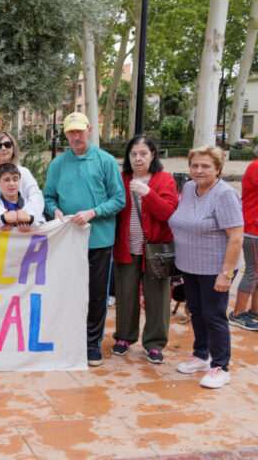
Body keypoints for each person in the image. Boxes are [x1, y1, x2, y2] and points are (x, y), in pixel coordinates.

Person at [43, 112, 124, 367]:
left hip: (98, 240)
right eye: (70, 132)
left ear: (89, 130)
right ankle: (68, 339)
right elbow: (49, 196)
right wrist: (53, 210)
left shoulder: (106, 161)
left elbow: (119, 199)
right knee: (67, 291)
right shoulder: (58, 164)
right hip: (67, 241)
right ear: (65, 134)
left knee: (97, 294)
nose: (75, 137)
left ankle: (92, 344)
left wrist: (94, 211)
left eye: (79, 131)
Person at [169, 145, 244, 389]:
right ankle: (201, 355)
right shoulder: (190, 188)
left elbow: (236, 237)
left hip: (216, 268)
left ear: (218, 169)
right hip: (190, 265)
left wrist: (226, 273)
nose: (199, 170)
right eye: (195, 165)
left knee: (214, 315)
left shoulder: (225, 195)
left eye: (205, 166)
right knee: (196, 311)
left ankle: (221, 366)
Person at [111, 135, 178, 364]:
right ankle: (123, 337)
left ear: (152, 155)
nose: (138, 158)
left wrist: (147, 193)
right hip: (127, 247)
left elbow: (168, 213)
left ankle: (155, 343)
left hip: (156, 249)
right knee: (125, 294)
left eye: (143, 154)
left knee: (157, 298)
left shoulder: (164, 179)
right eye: (133, 154)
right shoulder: (122, 178)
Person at [0, 131, 44, 223]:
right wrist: (3, 216)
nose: (3, 148)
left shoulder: (24, 172)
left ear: (13, 149)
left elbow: (36, 195)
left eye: (7, 145)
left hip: (21, 226)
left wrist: (25, 216)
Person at [228, 146, 258, 331]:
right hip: (252, 227)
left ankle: (254, 311)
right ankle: (238, 314)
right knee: (252, 272)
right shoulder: (256, 166)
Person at [0, 163, 44, 230]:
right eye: (7, 180)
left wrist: (30, 219)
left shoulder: (29, 203)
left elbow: (43, 224)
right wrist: (2, 220)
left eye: (15, 179)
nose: (11, 183)